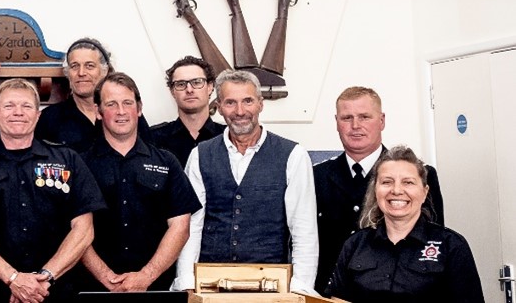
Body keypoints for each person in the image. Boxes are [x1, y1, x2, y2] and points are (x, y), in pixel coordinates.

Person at [0, 79, 105, 303]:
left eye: (26, 106)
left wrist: (45, 277)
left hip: (55, 291)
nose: (18, 112)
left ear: (37, 115)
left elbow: (84, 229)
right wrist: (13, 278)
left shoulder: (67, 159)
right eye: (9, 106)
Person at [172, 69, 319, 293]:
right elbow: (191, 225)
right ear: (218, 107)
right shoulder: (200, 154)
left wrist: (300, 288)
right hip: (211, 283)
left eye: (248, 101)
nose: (240, 111)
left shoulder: (293, 155)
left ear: (260, 104)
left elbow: (304, 230)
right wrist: (186, 281)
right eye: (230, 102)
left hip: (272, 284)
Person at [314, 86, 444, 293]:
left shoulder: (420, 176)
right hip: (332, 292)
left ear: (382, 120)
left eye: (365, 117)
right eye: (347, 118)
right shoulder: (316, 176)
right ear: (336, 122)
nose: (355, 126)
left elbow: (433, 240)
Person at [78, 72, 200, 292]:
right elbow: (74, 230)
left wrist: (146, 276)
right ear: (98, 111)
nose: (121, 111)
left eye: (127, 103)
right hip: (93, 289)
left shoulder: (167, 162)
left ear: (139, 108)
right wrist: (108, 279)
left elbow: (180, 227)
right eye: (111, 104)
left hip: (155, 287)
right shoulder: (80, 165)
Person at [324, 145, 481, 303]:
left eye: (408, 182)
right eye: (387, 182)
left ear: (424, 192)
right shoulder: (355, 245)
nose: (397, 190)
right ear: (375, 190)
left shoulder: (451, 246)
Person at [35, 38, 149, 152]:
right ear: (67, 72)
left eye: (89, 66)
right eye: (74, 66)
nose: (81, 73)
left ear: (105, 70)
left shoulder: (125, 113)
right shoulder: (49, 118)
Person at [149, 55, 226, 167]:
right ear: (172, 91)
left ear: (210, 87)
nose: (189, 90)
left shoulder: (228, 136)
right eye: (181, 84)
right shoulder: (153, 138)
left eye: (197, 82)